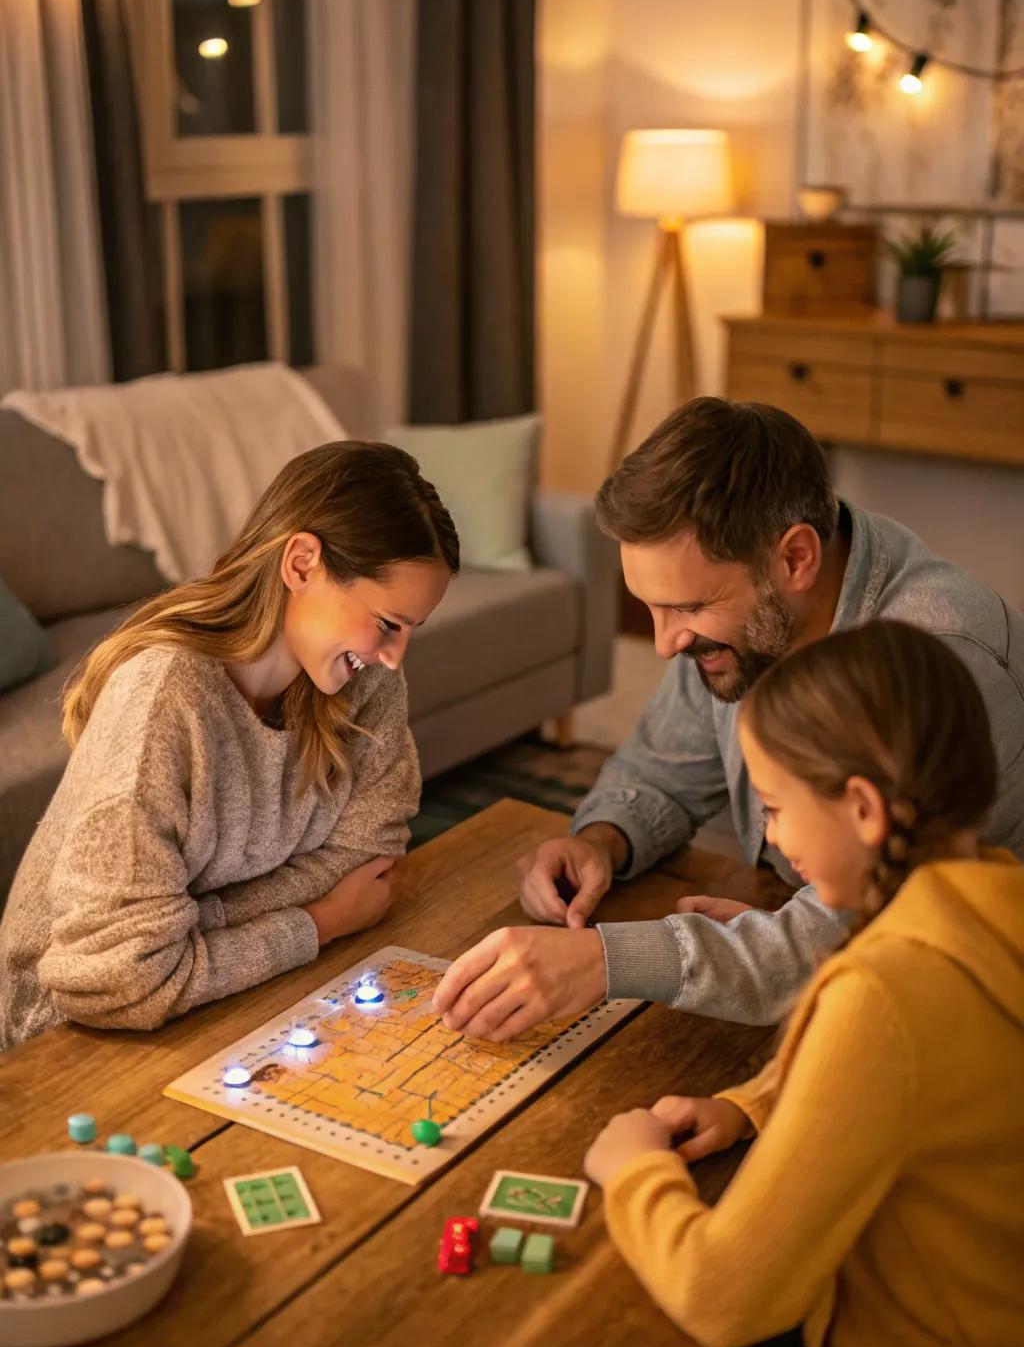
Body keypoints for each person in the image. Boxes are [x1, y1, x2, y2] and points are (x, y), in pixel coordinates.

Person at [432, 398, 1024, 1041]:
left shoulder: (939, 665)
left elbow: (856, 934)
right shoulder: (755, 616)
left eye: (686, 607)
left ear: (795, 558)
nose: (662, 646)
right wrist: (601, 840)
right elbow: (661, 767)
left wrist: (606, 962)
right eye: (650, 609)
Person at [583, 620, 1024, 1347]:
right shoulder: (990, 896)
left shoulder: (881, 993)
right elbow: (914, 1087)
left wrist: (635, 1170)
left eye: (778, 806)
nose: (774, 839)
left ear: (861, 807)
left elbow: (722, 1298)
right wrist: (754, 1103)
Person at [0, 441, 459, 1049]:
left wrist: (195, 927)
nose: (394, 657)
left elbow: (369, 857)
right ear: (301, 563)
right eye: (387, 624)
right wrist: (317, 921)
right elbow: (115, 979)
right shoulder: (165, 701)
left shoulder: (366, 681)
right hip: (69, 1041)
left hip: (224, 991)